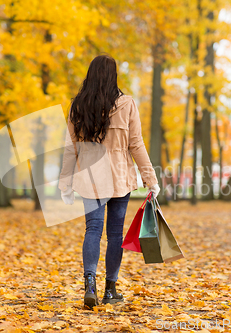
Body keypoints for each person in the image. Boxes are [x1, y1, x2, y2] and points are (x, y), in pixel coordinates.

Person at [58, 54, 159, 309]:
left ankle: (89, 283)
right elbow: (136, 145)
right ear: (113, 75)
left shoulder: (77, 106)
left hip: (90, 178)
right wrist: (151, 179)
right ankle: (110, 289)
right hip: (118, 178)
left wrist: (65, 184)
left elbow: (71, 148)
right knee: (114, 234)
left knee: (92, 229)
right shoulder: (126, 104)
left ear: (90, 75)